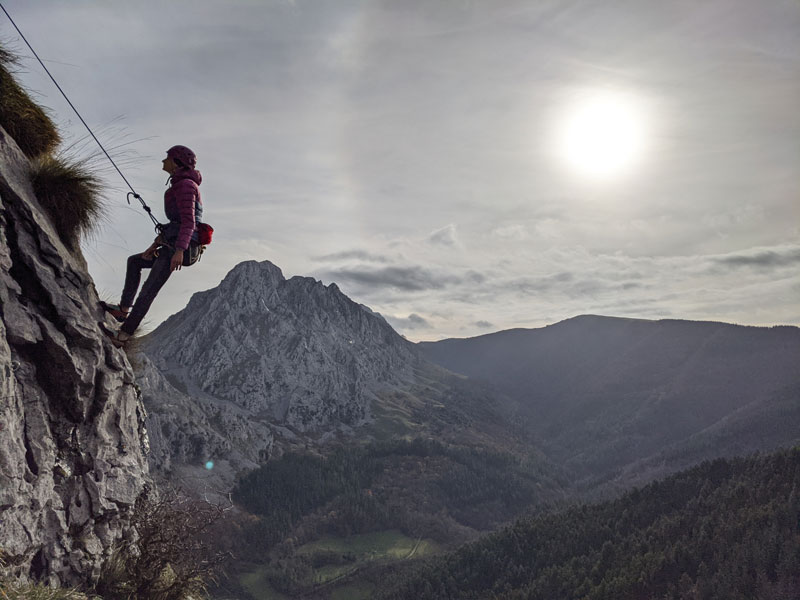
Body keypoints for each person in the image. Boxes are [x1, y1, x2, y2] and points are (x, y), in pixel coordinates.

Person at [101, 145, 203, 346]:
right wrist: (154, 245)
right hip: (172, 245)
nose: (163, 161)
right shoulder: (181, 184)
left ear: (176, 162)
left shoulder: (185, 186)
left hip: (180, 248)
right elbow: (176, 224)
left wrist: (180, 251)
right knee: (135, 262)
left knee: (149, 289)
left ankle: (124, 335)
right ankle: (123, 310)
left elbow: (189, 222)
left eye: (167, 158)